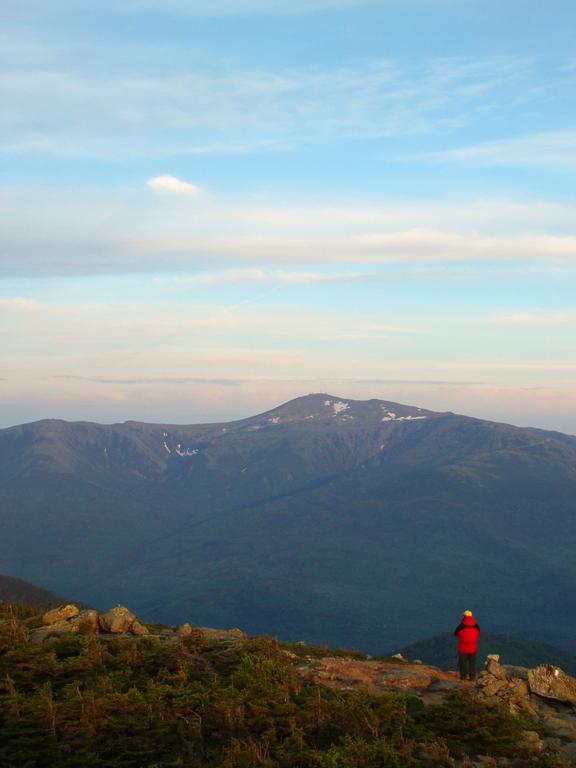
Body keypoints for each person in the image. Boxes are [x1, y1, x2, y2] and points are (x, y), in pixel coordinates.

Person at [454, 610, 480, 681]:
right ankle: (472, 677)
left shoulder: (461, 626)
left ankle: (463, 677)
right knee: (472, 663)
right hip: (473, 648)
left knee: (462, 663)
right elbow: (478, 633)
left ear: (464, 616)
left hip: (463, 648)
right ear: (471, 616)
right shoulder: (476, 625)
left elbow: (456, 633)